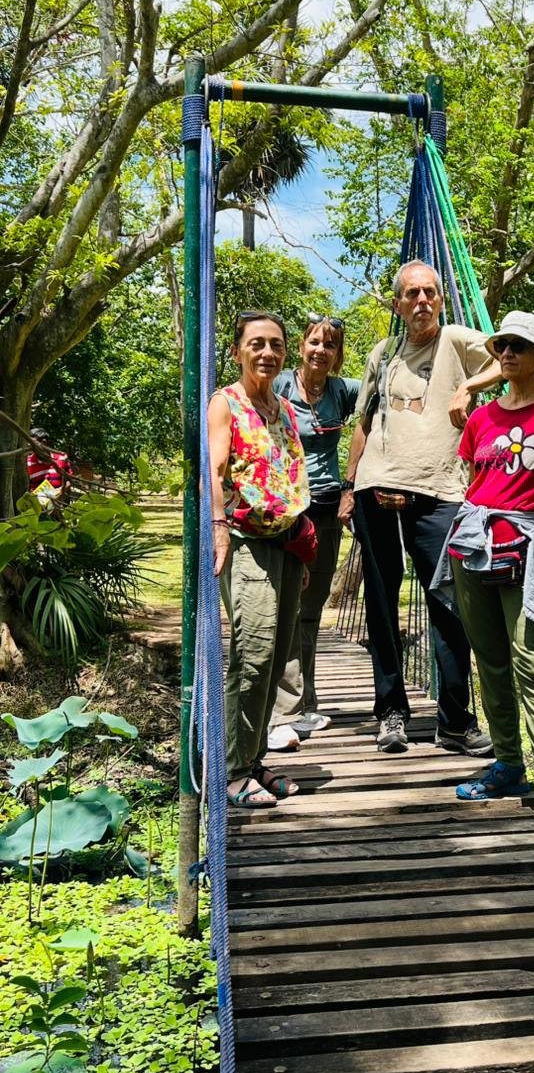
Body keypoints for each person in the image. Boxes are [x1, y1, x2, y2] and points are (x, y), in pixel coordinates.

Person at [431, 311, 534, 833]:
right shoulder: (482, 420)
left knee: (532, 663)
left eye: (518, 347)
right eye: (502, 345)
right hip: (474, 547)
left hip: (528, 546)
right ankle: (507, 764)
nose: (506, 354)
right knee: (490, 661)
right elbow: (477, 481)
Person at [338, 260, 502, 755]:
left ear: (441, 299)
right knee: (382, 607)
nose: (422, 301)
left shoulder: (453, 339)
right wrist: (349, 486)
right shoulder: (382, 354)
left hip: (440, 494)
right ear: (397, 304)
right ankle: (390, 713)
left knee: (451, 607)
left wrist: (468, 387)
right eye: (412, 294)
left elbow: (505, 359)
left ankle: (455, 720)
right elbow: (364, 423)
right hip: (374, 490)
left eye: (430, 292)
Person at [208, 311, 315, 808]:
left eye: (275, 344)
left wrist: (305, 544)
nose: (266, 352)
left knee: (274, 660)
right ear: (237, 351)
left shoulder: (285, 409)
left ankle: (250, 760)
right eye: (256, 343)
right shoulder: (225, 402)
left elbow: (292, 475)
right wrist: (218, 529)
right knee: (251, 657)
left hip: (288, 543)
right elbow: (214, 470)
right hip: (247, 539)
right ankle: (232, 773)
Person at [266, 313, 359, 752]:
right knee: (285, 602)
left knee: (311, 607)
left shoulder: (342, 392)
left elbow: (385, 390)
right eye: (315, 342)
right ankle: (280, 708)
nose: (321, 350)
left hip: (325, 509)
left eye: (331, 345)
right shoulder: (280, 384)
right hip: (288, 510)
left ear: (338, 355)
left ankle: (305, 701)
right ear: (302, 346)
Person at [27, 429, 73, 506]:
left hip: (61, 505)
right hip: (39, 507)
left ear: (44, 442)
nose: (30, 447)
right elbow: (27, 487)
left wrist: (61, 491)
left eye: (33, 444)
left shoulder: (62, 458)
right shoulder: (28, 463)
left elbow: (70, 479)